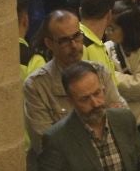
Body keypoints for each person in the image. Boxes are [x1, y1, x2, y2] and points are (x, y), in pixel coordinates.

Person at [22, 11, 124, 141]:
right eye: (64, 41)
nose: (74, 45)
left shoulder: (100, 72)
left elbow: (122, 121)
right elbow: (46, 144)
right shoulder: (36, 86)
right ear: (49, 43)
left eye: (77, 36)